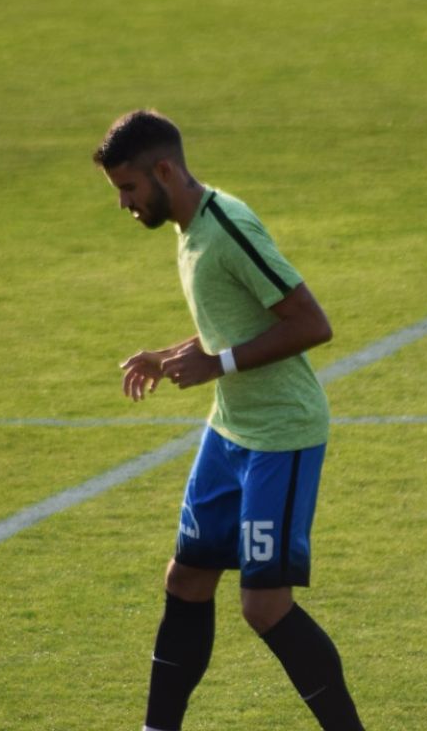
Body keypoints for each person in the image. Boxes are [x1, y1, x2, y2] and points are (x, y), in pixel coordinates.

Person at [93, 109, 364, 731]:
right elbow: (234, 325)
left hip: (280, 436)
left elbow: (311, 323)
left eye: (129, 188)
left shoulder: (229, 228)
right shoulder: (188, 230)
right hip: (230, 432)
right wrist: (171, 356)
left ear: (165, 171)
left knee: (264, 606)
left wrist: (219, 364)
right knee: (187, 577)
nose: (124, 203)